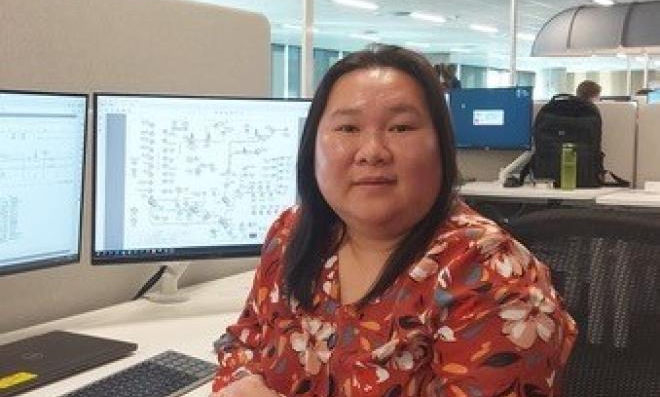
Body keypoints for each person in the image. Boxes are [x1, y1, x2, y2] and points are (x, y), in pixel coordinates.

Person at [211, 44, 576, 397]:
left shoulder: (490, 274)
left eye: (401, 128)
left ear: (441, 146)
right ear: (313, 145)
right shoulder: (291, 233)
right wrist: (239, 384)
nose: (372, 152)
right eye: (348, 129)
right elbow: (243, 341)